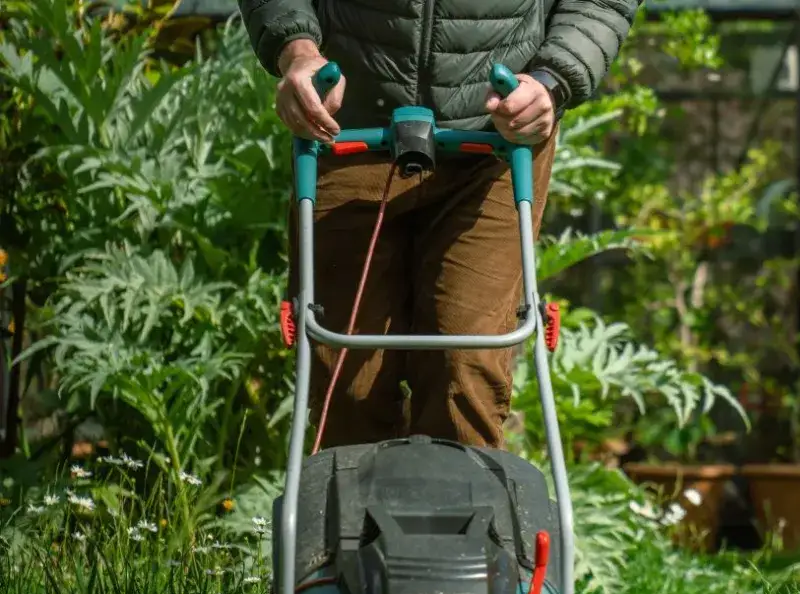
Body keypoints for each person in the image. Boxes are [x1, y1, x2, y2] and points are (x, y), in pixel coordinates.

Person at [238, 0, 639, 449]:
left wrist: (553, 79)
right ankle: (350, 517)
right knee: (347, 387)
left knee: (465, 377)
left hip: (496, 142)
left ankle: (465, 514)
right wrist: (297, 48)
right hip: (345, 130)